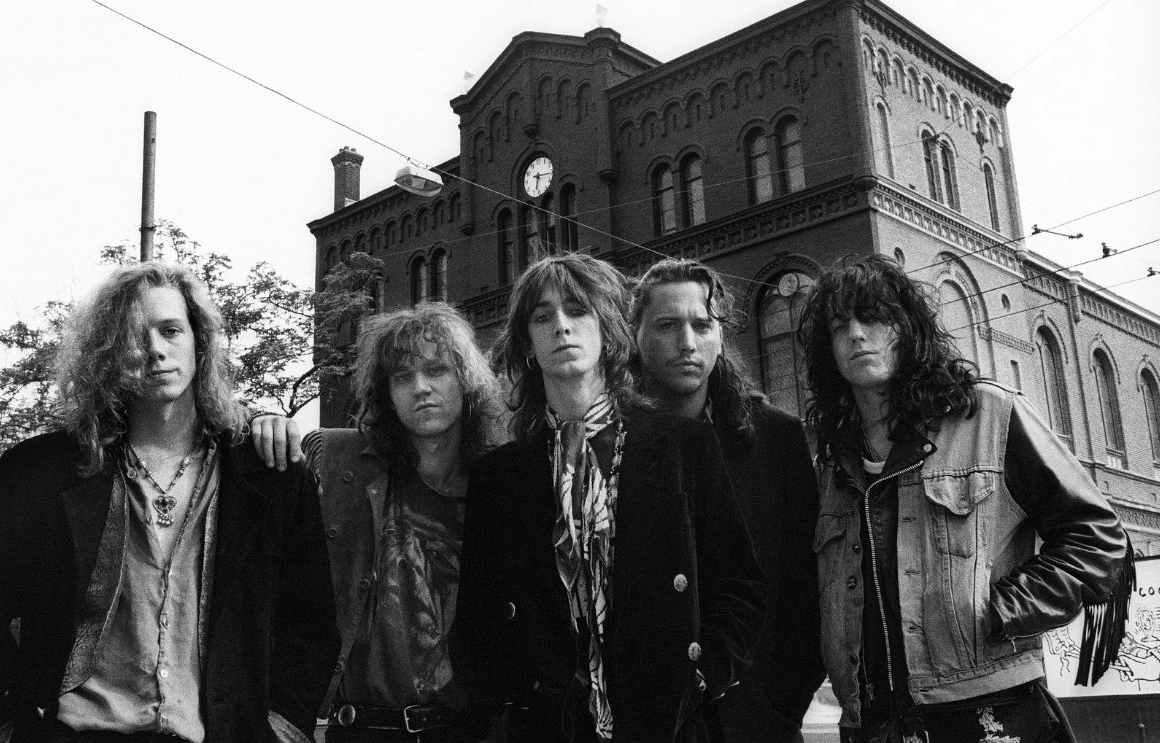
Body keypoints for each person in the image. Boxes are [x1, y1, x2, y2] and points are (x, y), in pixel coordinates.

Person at [0, 263, 337, 743]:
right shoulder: (38, 473)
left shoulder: (268, 475)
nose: (155, 350)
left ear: (199, 341)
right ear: (107, 354)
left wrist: (282, 729)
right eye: (132, 336)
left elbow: (310, 626)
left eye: (171, 330)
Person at [797, 254, 1134, 743]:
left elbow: (1097, 538)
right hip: (872, 721)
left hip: (988, 710)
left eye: (873, 318)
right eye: (838, 326)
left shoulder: (989, 415)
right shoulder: (831, 465)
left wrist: (1004, 610)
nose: (856, 334)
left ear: (909, 329)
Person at [453, 252, 766, 743]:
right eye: (543, 317)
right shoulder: (501, 474)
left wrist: (702, 676)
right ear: (528, 343)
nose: (562, 326)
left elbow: (738, 582)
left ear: (609, 329)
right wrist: (510, 695)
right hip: (549, 724)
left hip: (666, 721)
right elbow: (479, 613)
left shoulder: (683, 445)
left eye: (578, 310)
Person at [253, 303, 505, 742]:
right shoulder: (337, 459)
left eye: (436, 370)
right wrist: (255, 420)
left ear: (466, 379)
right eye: (403, 377)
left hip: (466, 730)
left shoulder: (500, 484)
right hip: (356, 727)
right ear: (385, 393)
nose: (421, 388)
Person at [630, 258, 823, 743]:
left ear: (721, 334)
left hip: (757, 720)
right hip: (646, 722)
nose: (687, 342)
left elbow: (805, 588)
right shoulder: (614, 445)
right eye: (667, 325)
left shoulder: (776, 439)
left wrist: (782, 707)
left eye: (702, 325)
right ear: (635, 335)